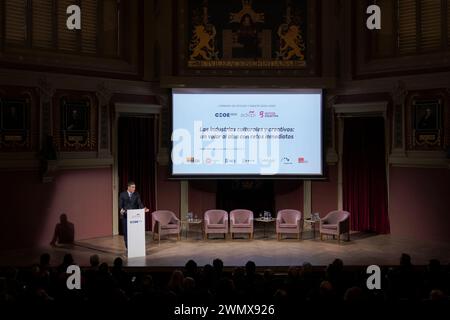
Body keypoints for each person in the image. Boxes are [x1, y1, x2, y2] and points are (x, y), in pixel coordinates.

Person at [119, 181, 149, 249]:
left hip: (134, 217)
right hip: (125, 216)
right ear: (128, 187)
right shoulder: (122, 194)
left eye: (134, 187)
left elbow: (139, 203)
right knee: (126, 233)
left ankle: (134, 247)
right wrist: (122, 210)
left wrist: (143, 208)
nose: (134, 189)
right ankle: (128, 248)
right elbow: (120, 205)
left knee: (133, 233)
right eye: (132, 187)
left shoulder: (136, 194)